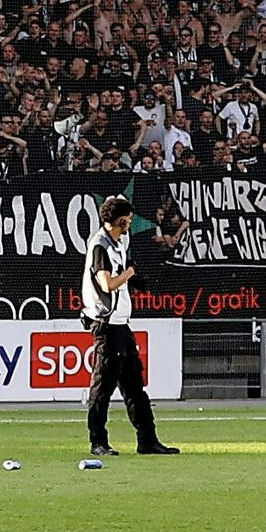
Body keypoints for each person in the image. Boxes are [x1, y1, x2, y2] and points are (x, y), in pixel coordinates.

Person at [79, 196, 175, 458]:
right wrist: (130, 274)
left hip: (121, 325)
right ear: (120, 220)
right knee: (102, 388)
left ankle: (148, 440)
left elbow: (118, 277)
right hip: (107, 326)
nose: (130, 223)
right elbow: (107, 284)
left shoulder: (118, 243)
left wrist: (135, 281)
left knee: (134, 386)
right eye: (128, 219)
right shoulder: (100, 246)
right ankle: (98, 442)